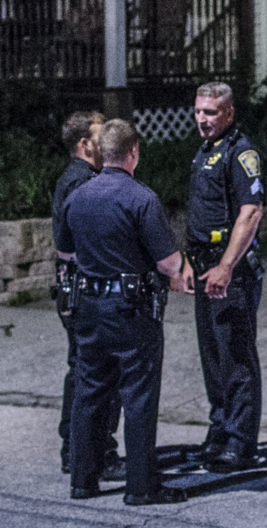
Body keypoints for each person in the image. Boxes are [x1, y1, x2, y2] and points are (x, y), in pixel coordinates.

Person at [56, 118, 187, 504]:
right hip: (131, 309)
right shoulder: (141, 198)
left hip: (88, 306)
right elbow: (169, 263)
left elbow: (66, 253)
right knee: (139, 396)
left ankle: (82, 481)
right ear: (133, 152)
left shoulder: (76, 197)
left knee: (89, 392)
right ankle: (141, 487)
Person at [182, 81, 265, 472]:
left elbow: (250, 214)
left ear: (229, 113)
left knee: (235, 357)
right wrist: (188, 260)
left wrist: (227, 266)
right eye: (199, 111)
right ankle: (220, 429)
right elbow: (200, 212)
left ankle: (240, 440)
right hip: (203, 265)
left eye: (210, 112)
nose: (202, 118)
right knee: (212, 357)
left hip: (229, 269)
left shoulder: (241, 152)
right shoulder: (205, 152)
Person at [51, 111, 125, 480]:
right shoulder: (83, 183)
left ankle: (79, 449)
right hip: (86, 291)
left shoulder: (76, 180)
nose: (107, 140)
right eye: (100, 135)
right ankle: (93, 452)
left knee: (84, 371)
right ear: (85, 144)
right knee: (96, 374)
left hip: (75, 289)